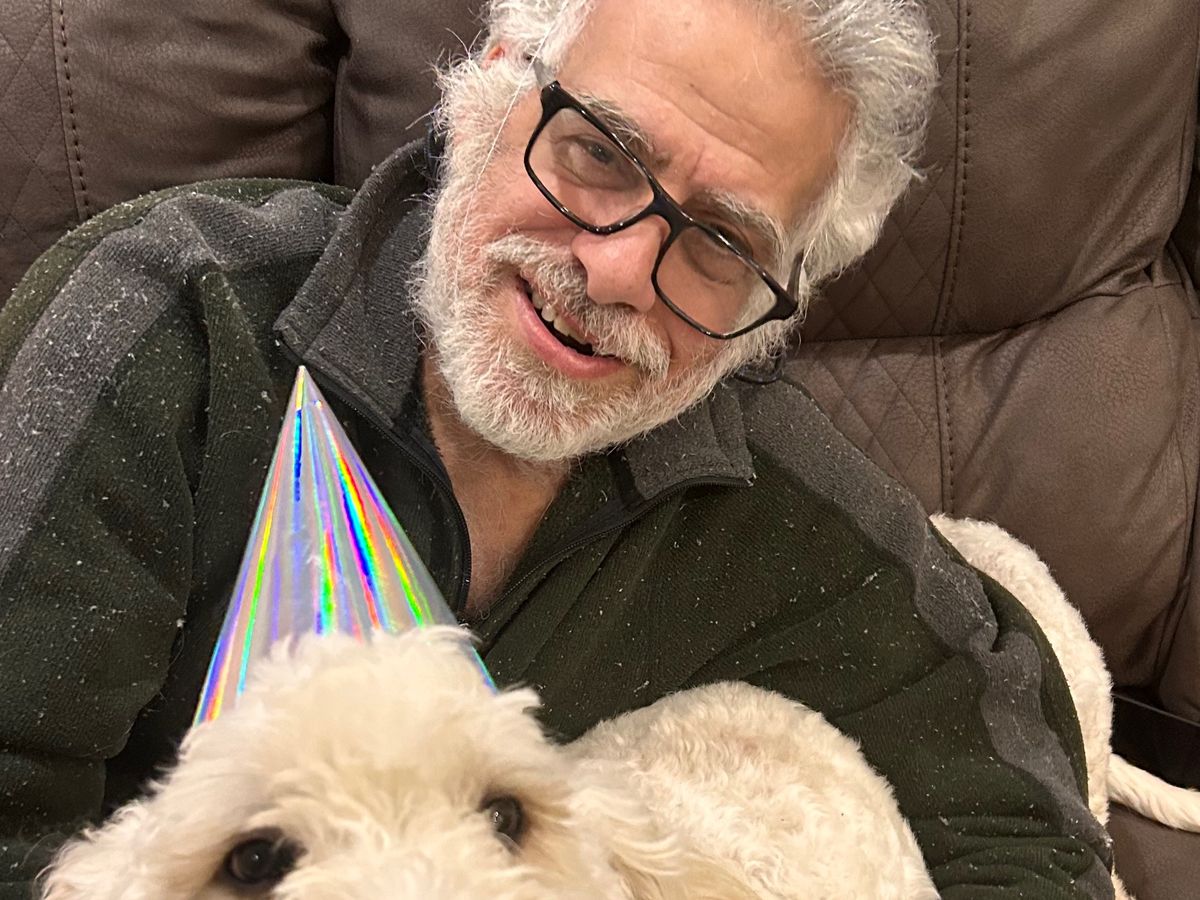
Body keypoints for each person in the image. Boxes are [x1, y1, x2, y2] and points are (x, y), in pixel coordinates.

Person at [0, 0, 1115, 895]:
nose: (619, 269)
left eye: (722, 242)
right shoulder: (159, 331)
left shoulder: (782, 508)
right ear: (490, 84)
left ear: (778, 303)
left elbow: (1023, 820)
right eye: (598, 151)